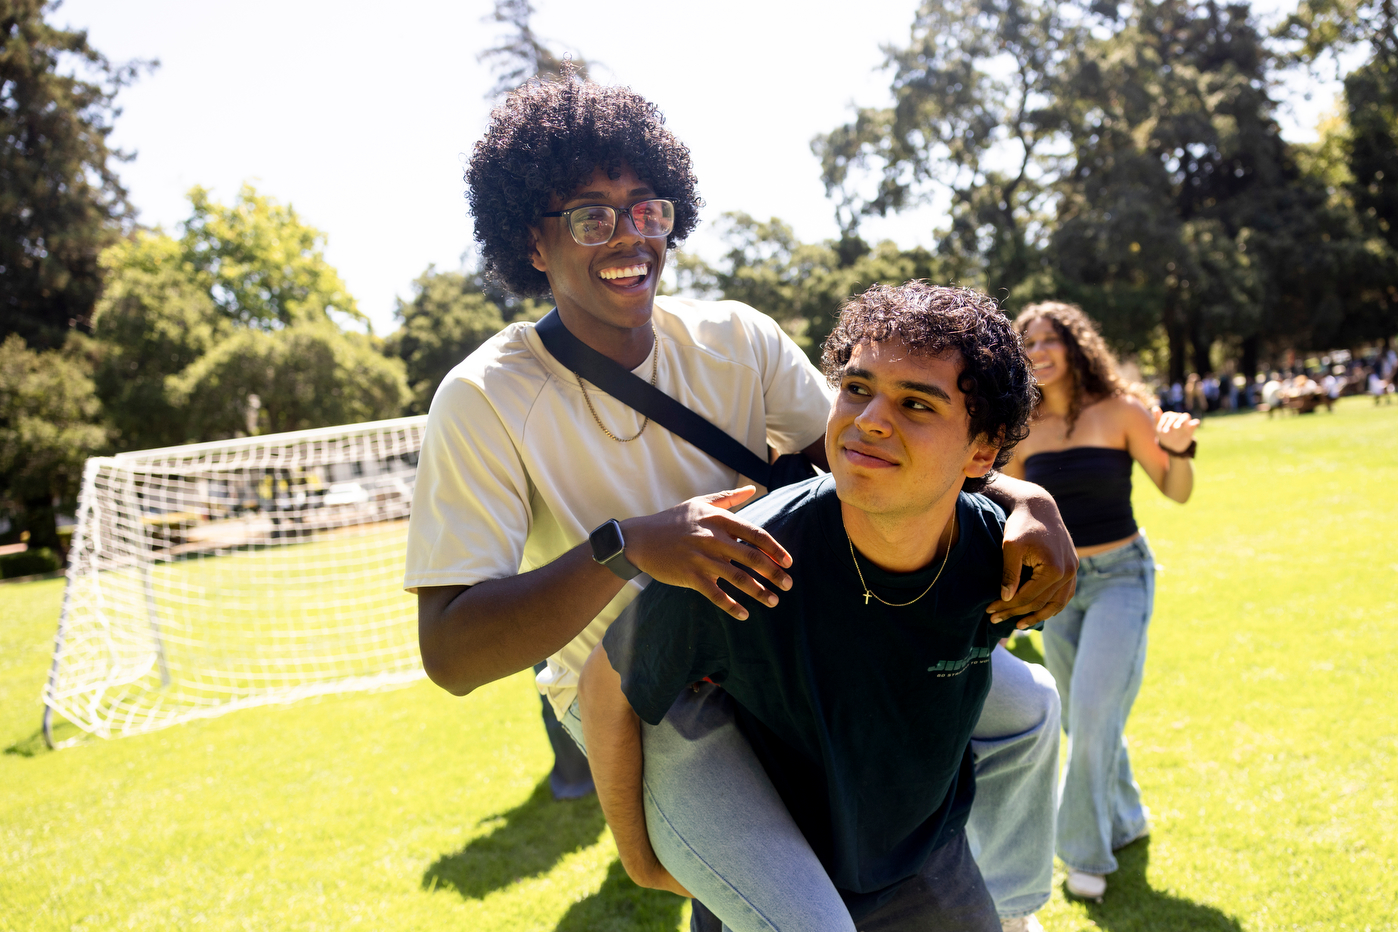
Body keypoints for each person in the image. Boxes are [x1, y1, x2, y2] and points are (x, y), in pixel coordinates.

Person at [406, 74, 1075, 931]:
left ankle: (1014, 913)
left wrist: (1025, 496)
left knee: (1028, 714)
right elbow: (452, 653)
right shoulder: (485, 398)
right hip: (646, 693)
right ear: (530, 244)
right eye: (589, 216)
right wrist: (628, 547)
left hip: (794, 632)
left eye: (647, 208)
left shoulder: (733, 338)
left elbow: (872, 447)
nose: (628, 237)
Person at [580, 283, 1039, 931]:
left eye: (915, 403)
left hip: (928, 862)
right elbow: (606, 684)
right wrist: (638, 858)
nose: (870, 419)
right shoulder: (749, 555)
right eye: (856, 389)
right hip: (782, 880)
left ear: (982, 453)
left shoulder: (1002, 550)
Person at [1006, 301, 1198, 901]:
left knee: (1089, 714)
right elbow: (1008, 511)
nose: (1038, 351)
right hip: (1057, 588)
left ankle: (1085, 855)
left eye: (1049, 340)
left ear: (1076, 346)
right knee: (1092, 718)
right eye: (1027, 342)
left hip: (1121, 578)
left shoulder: (1121, 411)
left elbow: (1177, 490)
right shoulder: (1024, 428)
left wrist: (1184, 449)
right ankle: (1130, 817)